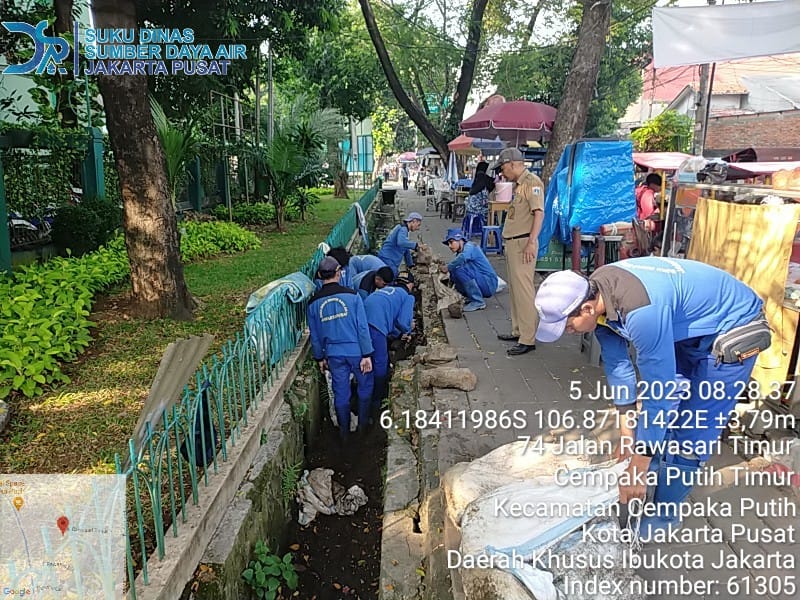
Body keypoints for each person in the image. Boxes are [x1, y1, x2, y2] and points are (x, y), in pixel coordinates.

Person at [534, 257, 769, 535]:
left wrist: (638, 465)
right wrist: (627, 436)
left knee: (692, 431)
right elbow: (619, 367)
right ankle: (653, 472)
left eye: (568, 326)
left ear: (586, 308)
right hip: (689, 329)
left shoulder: (641, 312)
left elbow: (660, 393)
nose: (567, 333)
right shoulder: (597, 292)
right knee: (662, 424)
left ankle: (665, 517)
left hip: (733, 328)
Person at [307, 257, 374, 442]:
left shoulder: (313, 304)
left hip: (334, 356)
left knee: (341, 394)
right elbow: (362, 328)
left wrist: (320, 358)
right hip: (357, 352)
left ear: (320, 276)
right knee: (365, 387)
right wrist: (367, 354)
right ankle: (362, 427)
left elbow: (315, 335)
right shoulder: (353, 296)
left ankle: (344, 433)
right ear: (338, 273)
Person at [492, 148, 545, 355]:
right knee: (515, 290)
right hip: (514, 242)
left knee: (524, 291)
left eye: (503, 167)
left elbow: (538, 214)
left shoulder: (532, 183)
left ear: (513, 164)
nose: (502, 173)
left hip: (523, 243)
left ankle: (528, 338)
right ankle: (518, 329)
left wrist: (532, 242)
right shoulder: (519, 185)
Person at [363, 277, 415, 424]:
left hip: (361, 322)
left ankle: (361, 401)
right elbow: (403, 322)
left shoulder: (386, 292)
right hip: (376, 326)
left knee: (364, 360)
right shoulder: (408, 297)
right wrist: (408, 330)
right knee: (380, 364)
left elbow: (392, 322)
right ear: (410, 286)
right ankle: (376, 403)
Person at [442, 228, 499, 312]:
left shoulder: (470, 246)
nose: (450, 246)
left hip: (489, 283)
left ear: (460, 240)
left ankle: (478, 301)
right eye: (448, 244)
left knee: (459, 270)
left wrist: (448, 267)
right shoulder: (461, 251)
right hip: (482, 281)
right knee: (454, 271)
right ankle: (469, 296)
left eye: (451, 242)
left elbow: (463, 258)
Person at [378, 212, 424, 277]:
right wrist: (416, 245)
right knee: (391, 276)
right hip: (387, 258)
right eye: (418, 225)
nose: (418, 228)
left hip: (390, 259)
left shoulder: (404, 230)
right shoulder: (403, 229)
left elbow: (405, 249)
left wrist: (410, 264)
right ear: (414, 221)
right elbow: (401, 242)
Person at [463, 161, 495, 236]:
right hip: (477, 210)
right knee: (493, 212)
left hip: (469, 209)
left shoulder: (477, 180)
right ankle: (490, 233)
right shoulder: (483, 182)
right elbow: (485, 200)